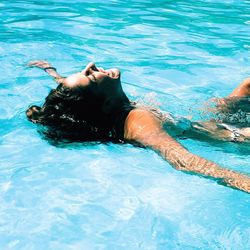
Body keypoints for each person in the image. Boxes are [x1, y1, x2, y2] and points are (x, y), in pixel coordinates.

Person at [26, 61, 250, 193]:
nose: (90, 66)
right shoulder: (139, 122)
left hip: (204, 121)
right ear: (105, 104)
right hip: (231, 136)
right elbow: (182, 160)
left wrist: (51, 71)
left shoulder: (95, 103)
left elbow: (69, 92)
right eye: (91, 77)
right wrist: (242, 181)